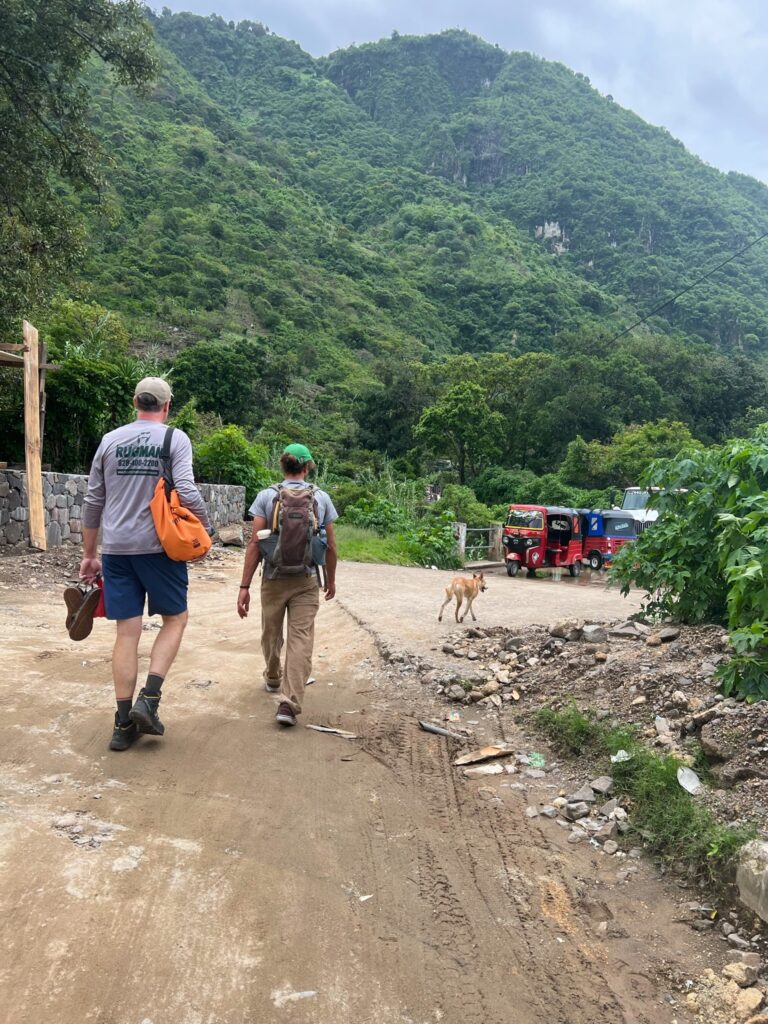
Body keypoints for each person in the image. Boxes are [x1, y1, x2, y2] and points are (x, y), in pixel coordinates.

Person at [80, 377, 213, 751]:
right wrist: (206, 526)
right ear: (167, 406)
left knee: (127, 631)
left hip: (117, 550)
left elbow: (93, 501)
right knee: (175, 619)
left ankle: (123, 725)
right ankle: (149, 700)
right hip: (160, 549)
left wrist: (90, 554)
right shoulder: (175, 439)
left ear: (135, 402)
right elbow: (185, 490)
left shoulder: (109, 440)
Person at [237, 444, 338, 727]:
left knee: (271, 634)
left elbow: (255, 545)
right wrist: (330, 579)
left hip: (273, 577)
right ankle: (289, 704)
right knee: (301, 639)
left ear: (283, 467)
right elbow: (330, 546)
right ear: (307, 467)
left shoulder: (267, 497)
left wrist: (243, 587)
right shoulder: (321, 498)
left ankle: (272, 676)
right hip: (306, 580)